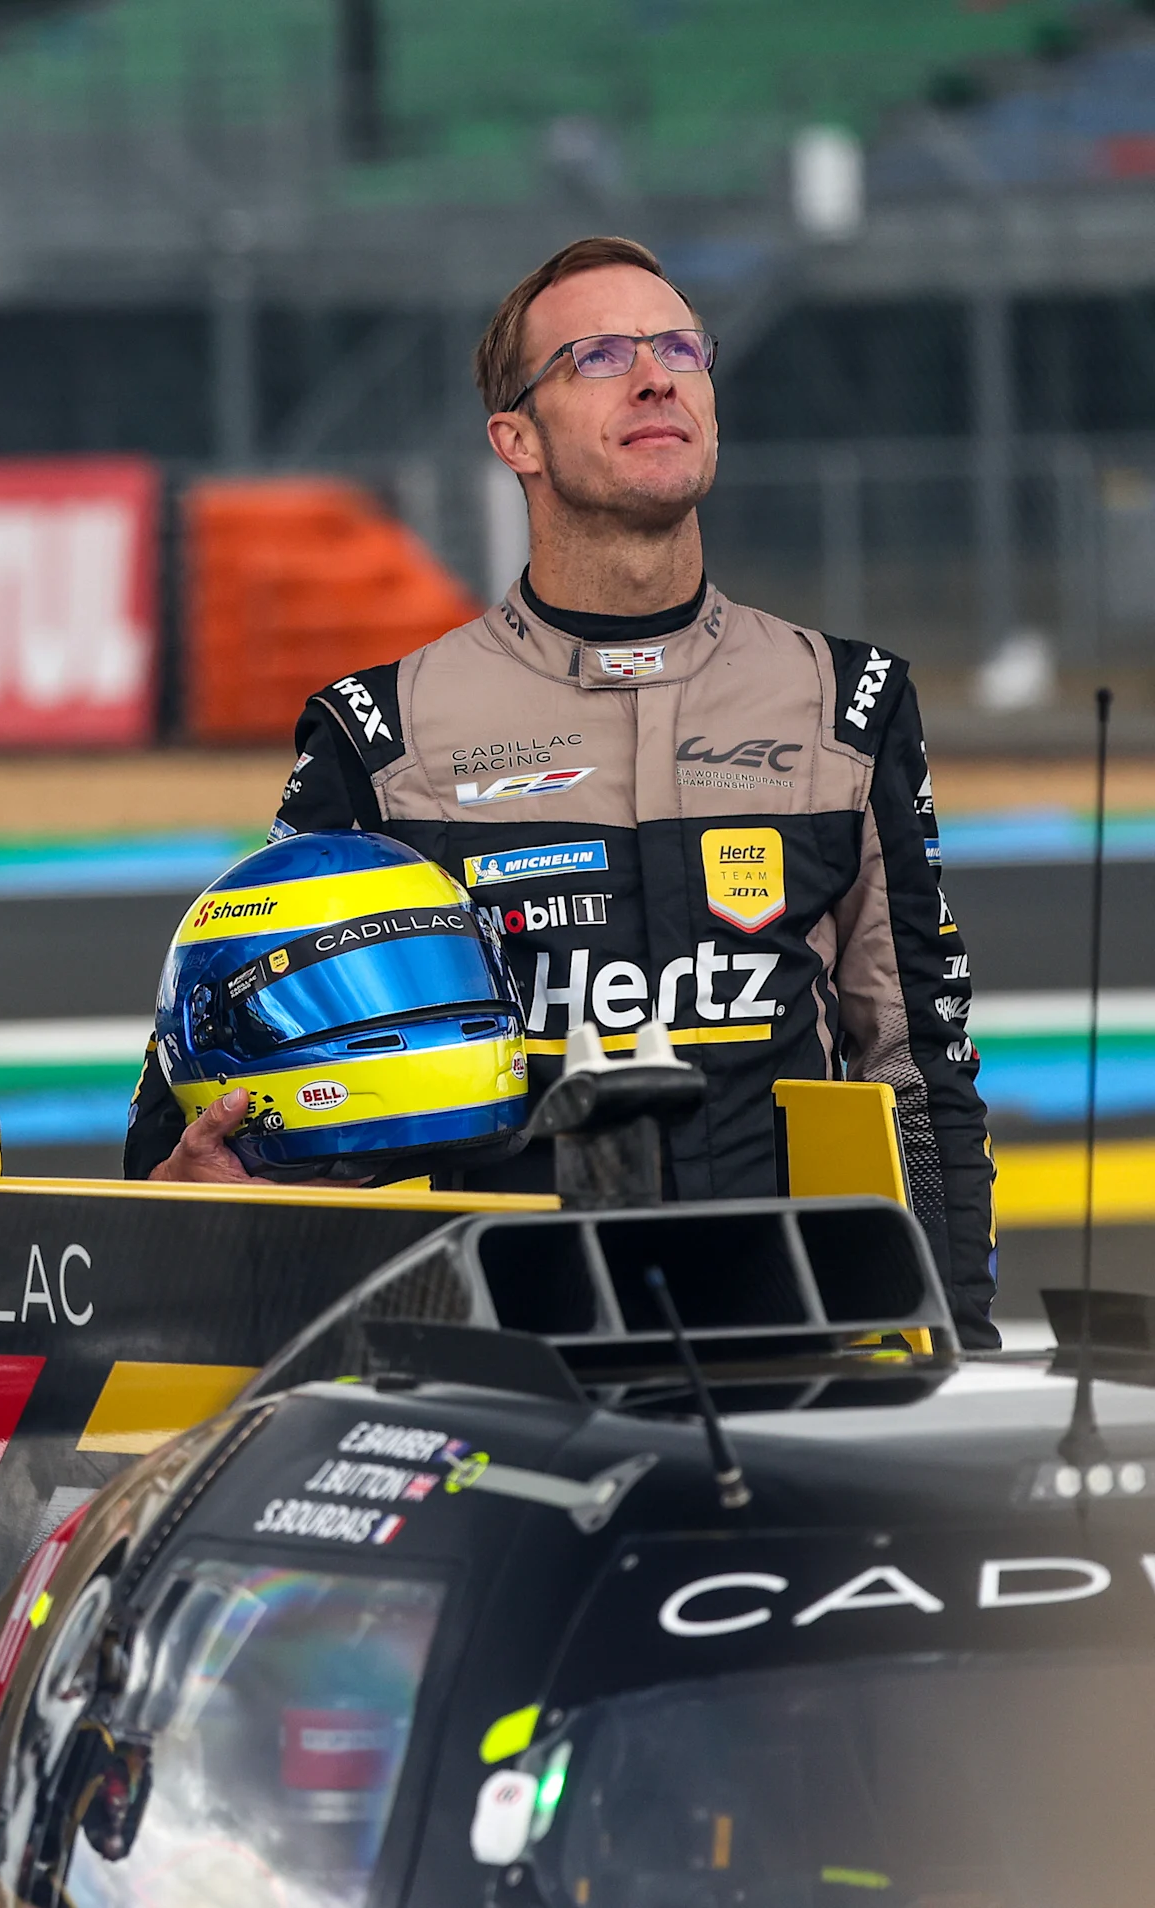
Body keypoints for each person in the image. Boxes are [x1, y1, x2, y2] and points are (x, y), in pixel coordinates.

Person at [127, 234, 997, 1341]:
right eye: (596, 356)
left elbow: (916, 1063)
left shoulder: (847, 701)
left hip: (789, 1342)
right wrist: (183, 1193)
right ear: (514, 438)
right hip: (492, 1358)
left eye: (680, 346)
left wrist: (953, 1343)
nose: (654, 376)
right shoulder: (384, 730)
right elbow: (216, 1048)